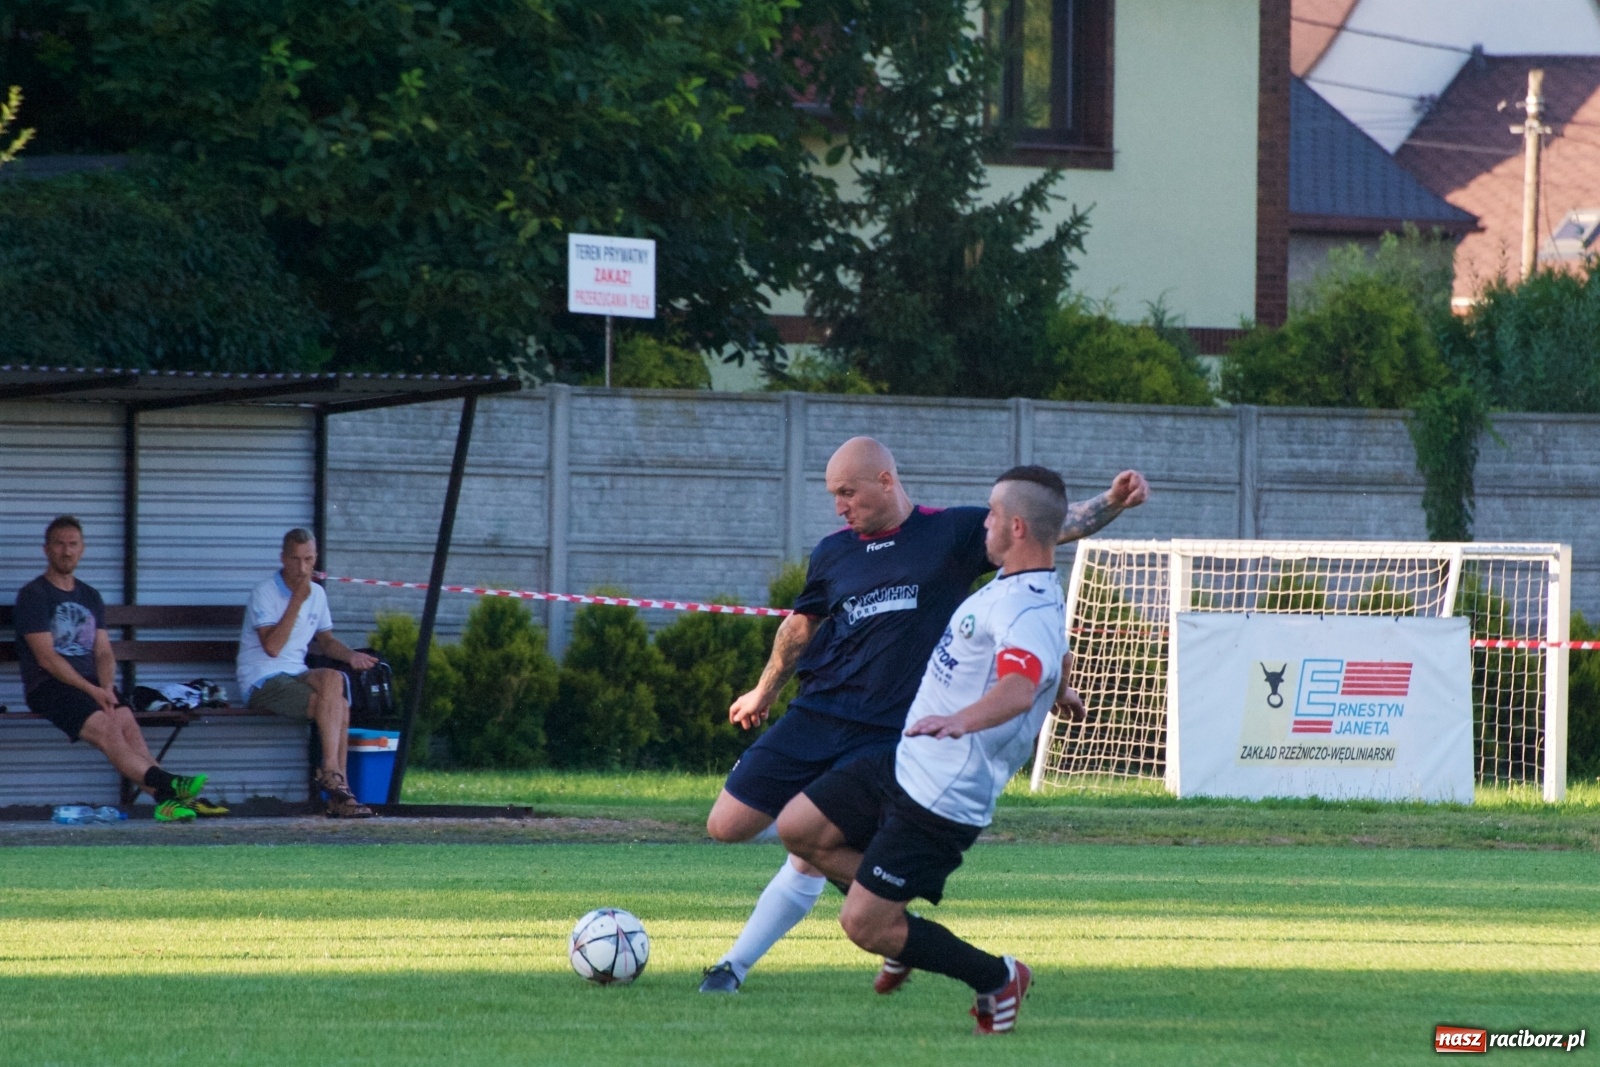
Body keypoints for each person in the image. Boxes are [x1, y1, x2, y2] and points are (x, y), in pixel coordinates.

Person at [697, 437, 1146, 993]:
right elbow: (801, 625)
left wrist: (1112, 500)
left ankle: (734, 967)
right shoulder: (833, 551)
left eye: (847, 493)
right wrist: (764, 691)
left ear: (885, 481)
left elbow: (1044, 530)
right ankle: (892, 926)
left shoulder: (952, 533)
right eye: (833, 495)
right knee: (727, 826)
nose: (840, 506)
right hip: (818, 712)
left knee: (809, 846)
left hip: (893, 731)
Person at [776, 465, 1074, 1035]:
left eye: (989, 514)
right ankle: (898, 925)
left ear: (1014, 526)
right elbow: (1046, 657)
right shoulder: (1018, 588)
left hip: (943, 794)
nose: (981, 524)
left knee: (860, 926)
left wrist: (961, 720)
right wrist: (1063, 690)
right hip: (907, 762)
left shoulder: (1024, 607)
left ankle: (996, 976)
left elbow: (1015, 685)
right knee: (799, 827)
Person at [14, 516, 210, 822]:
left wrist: (105, 688)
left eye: (73, 544)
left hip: (94, 684)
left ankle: (166, 800)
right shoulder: (33, 596)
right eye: (60, 544)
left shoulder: (90, 595)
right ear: (46, 549)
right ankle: (169, 783)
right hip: (49, 686)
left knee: (128, 726)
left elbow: (104, 651)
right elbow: (46, 658)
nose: (67, 551)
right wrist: (92, 690)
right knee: (108, 731)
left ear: (82, 549)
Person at [236, 528, 378, 819]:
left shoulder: (318, 594)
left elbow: (325, 641)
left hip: (296, 672)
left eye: (309, 560)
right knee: (337, 706)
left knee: (336, 679)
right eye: (296, 560)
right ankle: (340, 788)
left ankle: (331, 775)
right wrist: (297, 601)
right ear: (283, 559)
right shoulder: (265, 592)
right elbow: (273, 648)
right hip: (262, 679)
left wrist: (351, 655)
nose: (302, 568)